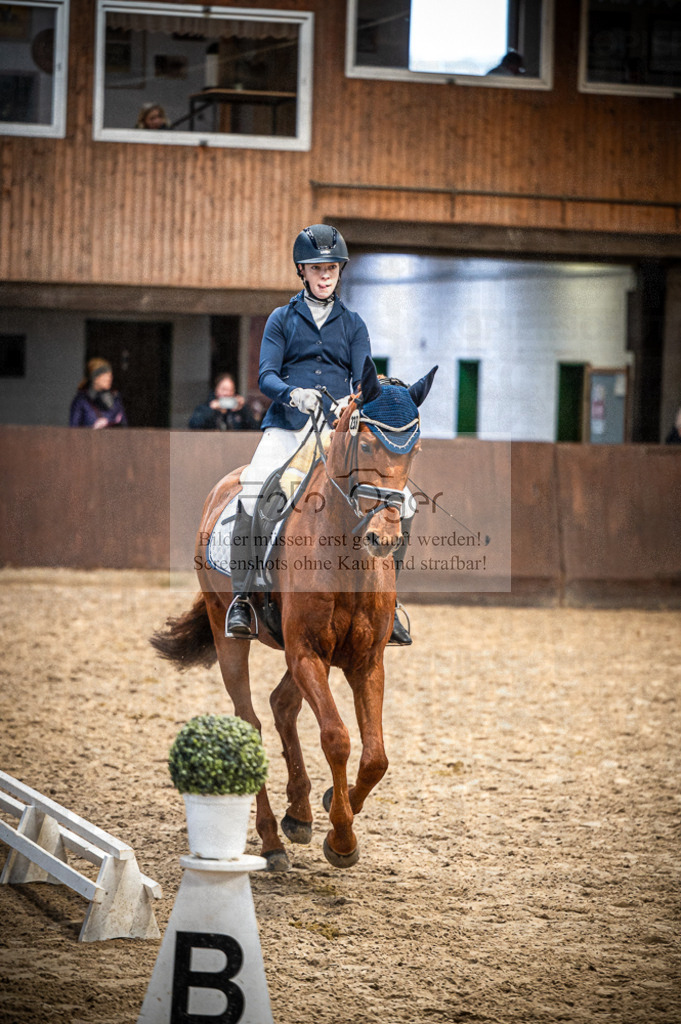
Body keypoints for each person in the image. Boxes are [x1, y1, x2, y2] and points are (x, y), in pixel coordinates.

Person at [226, 223, 413, 645]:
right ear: (302, 271)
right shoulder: (280, 319)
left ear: (339, 270)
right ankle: (243, 596)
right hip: (288, 426)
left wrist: (356, 400)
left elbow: (365, 379)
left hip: (336, 430)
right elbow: (266, 377)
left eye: (331, 267)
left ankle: (390, 603)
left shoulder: (353, 324)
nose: (324, 275)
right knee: (254, 490)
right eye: (316, 268)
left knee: (402, 504)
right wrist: (295, 396)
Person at [69, 358, 127, 429]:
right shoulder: (81, 401)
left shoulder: (116, 399)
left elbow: (124, 426)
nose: (109, 377)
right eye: (105, 374)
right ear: (95, 378)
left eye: (110, 374)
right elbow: (73, 429)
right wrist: (93, 428)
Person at [188, 373, 258, 431]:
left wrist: (243, 409)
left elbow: (254, 428)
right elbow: (194, 425)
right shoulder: (204, 408)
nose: (227, 393)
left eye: (230, 390)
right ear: (216, 390)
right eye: (223, 389)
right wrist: (212, 410)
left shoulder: (238, 411)